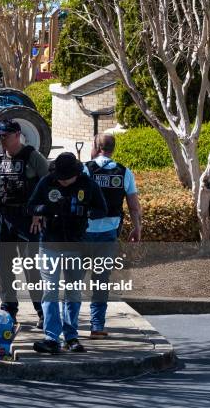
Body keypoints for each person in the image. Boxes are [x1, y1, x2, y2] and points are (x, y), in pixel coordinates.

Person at [29, 152, 107, 354]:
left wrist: (84, 212)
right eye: (60, 178)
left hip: (76, 244)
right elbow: (30, 207)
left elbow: (102, 209)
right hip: (50, 244)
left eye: (67, 178)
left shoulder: (87, 184)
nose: (63, 182)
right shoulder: (47, 182)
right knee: (50, 290)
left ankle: (71, 336)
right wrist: (47, 208)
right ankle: (51, 337)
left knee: (72, 292)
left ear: (76, 173)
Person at [0, 119, 51, 326]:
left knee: (31, 267)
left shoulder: (32, 156)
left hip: (28, 220)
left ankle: (42, 311)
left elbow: (49, 184)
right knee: (5, 266)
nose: (1, 140)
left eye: (5, 136)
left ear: (17, 135)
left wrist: (39, 212)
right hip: (3, 219)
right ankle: (8, 310)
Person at [84, 134, 142, 339]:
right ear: (112, 149)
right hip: (109, 234)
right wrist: (137, 228)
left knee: (74, 279)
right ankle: (97, 326)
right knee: (101, 280)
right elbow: (134, 206)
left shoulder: (85, 169)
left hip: (84, 233)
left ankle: (70, 327)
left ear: (97, 147)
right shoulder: (124, 172)